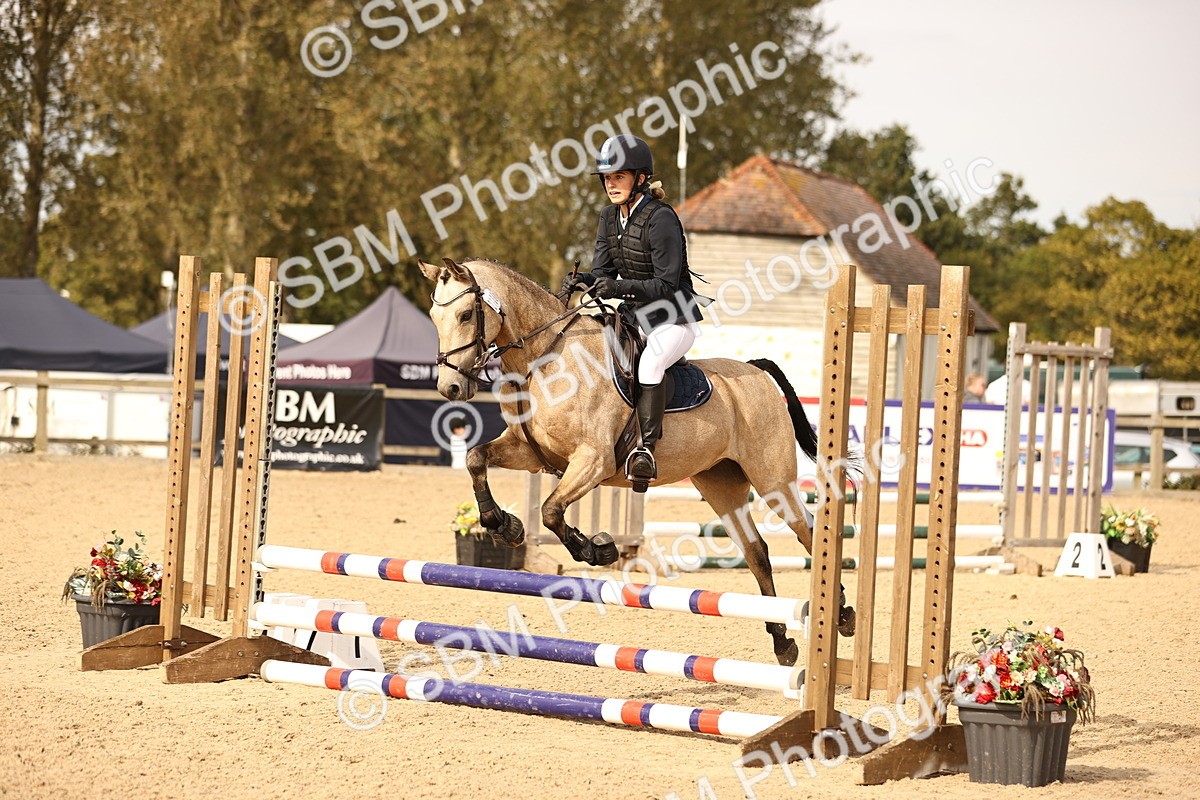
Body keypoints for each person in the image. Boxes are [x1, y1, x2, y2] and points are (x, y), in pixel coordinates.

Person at [561, 134, 706, 485]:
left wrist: (618, 288)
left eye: (619, 177)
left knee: (650, 362)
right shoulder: (609, 217)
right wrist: (583, 280)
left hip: (673, 318)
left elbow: (666, 283)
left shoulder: (662, 219)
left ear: (640, 178)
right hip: (634, 317)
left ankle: (645, 449)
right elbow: (605, 273)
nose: (611, 185)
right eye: (608, 178)